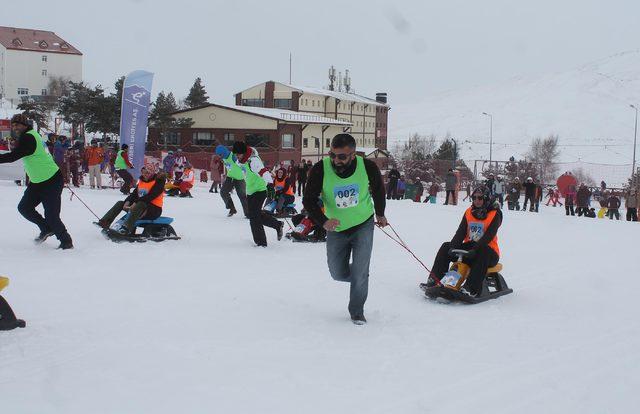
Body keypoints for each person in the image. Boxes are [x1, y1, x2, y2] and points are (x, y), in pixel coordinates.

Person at [303, 133, 387, 325]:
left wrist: (380, 214)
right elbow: (308, 200)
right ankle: (360, 279)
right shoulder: (320, 169)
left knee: (359, 271)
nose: (336, 160)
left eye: (342, 156)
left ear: (353, 154)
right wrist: (323, 221)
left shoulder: (367, 166)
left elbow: (379, 190)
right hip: (336, 228)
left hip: (363, 224)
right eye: (332, 155)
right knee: (337, 272)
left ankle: (357, 311)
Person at [0, 114, 73, 249]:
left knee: (51, 215)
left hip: (51, 180)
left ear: (25, 125)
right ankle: (46, 228)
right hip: (38, 181)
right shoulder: (30, 134)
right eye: (13, 125)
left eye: (17, 124)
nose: (15, 127)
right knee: (24, 208)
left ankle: (66, 241)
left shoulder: (28, 137)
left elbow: (13, 156)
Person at [423, 185, 502, 298]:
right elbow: (460, 232)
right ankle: (434, 280)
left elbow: (488, 236)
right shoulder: (469, 212)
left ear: (486, 198)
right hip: (470, 249)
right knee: (446, 246)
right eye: (474, 198)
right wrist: (452, 248)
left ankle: (471, 288)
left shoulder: (495, 213)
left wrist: (474, 250)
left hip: (488, 252)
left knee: (483, 251)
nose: (476, 201)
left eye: (480, 198)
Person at [232, 141, 283, 246]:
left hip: (260, 190)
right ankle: (277, 225)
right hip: (251, 191)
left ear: (244, 152)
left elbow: (264, 172)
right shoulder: (242, 160)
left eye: (238, 154)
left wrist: (269, 185)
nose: (237, 157)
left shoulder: (253, 161)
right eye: (235, 155)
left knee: (254, 218)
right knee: (256, 215)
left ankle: (261, 243)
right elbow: (238, 164)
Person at [96, 163, 166, 234]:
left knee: (140, 204)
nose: (145, 174)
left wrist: (135, 203)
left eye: (147, 173)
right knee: (120, 203)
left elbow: (151, 196)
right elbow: (134, 195)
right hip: (140, 206)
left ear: (152, 173)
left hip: (154, 210)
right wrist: (127, 202)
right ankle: (105, 222)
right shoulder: (142, 181)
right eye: (143, 172)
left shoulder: (159, 182)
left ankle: (126, 228)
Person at [216, 145, 249, 217]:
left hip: (240, 179)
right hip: (230, 178)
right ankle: (232, 208)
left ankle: (248, 213)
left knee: (242, 196)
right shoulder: (224, 158)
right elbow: (229, 167)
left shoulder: (234, 156)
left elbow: (243, 165)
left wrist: (245, 172)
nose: (219, 156)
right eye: (218, 155)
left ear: (224, 152)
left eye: (220, 155)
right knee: (223, 192)